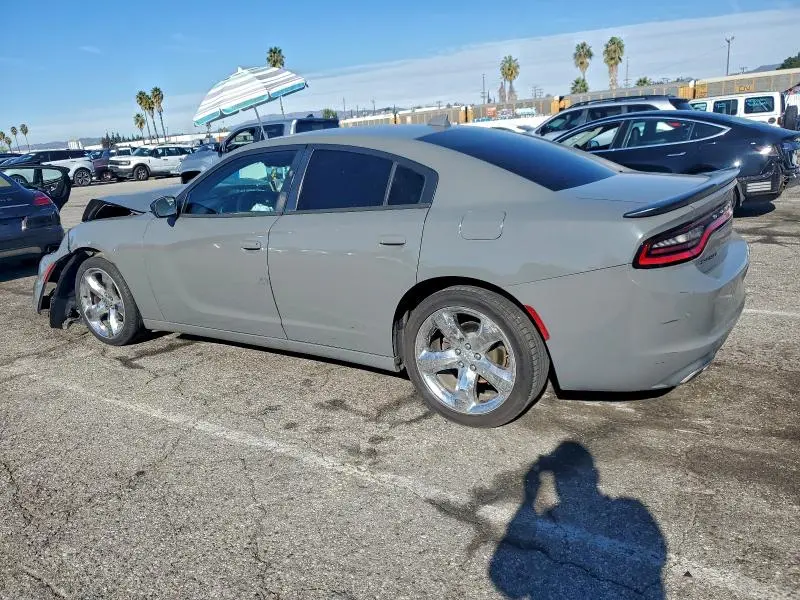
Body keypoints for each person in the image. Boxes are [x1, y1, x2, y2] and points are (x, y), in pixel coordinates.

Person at [490, 442, 667, 599]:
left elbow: (509, 583)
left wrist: (530, 496)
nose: (563, 485)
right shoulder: (631, 510)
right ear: (595, 475)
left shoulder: (630, 510)